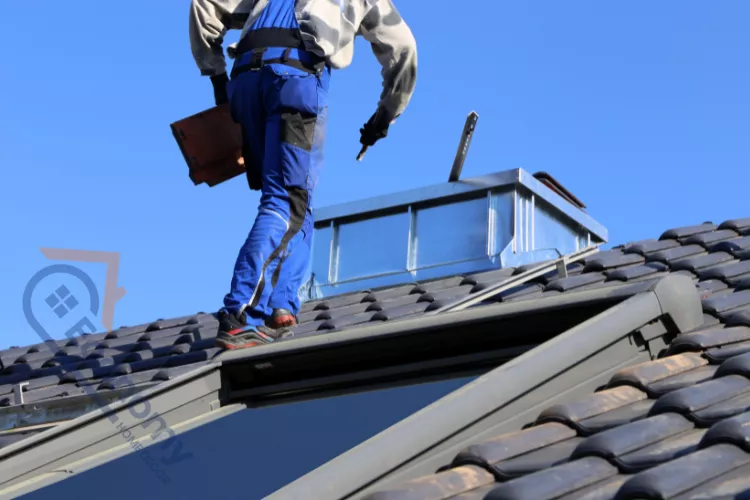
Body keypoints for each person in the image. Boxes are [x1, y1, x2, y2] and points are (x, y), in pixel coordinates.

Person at [189, 0, 417, 350]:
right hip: (294, 78)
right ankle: (241, 314)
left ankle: (282, 303)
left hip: (246, 81)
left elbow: (204, 4)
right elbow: (403, 50)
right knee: (286, 202)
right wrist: (385, 115)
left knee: (297, 195)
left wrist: (218, 78)